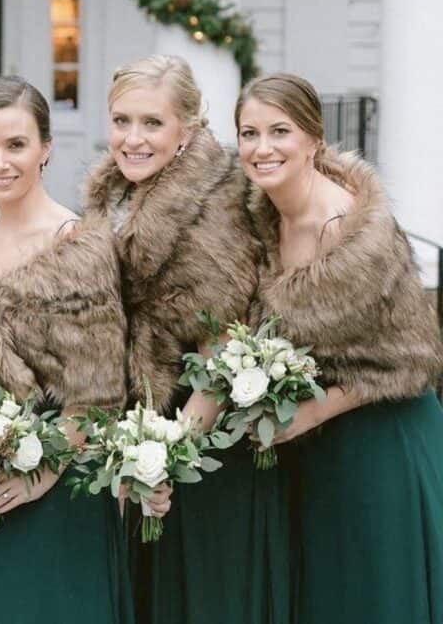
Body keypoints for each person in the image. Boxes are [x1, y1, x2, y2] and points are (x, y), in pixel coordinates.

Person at [82, 55, 287, 624]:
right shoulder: (113, 193)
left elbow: (221, 347)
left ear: (189, 128)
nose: (133, 138)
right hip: (139, 419)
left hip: (200, 433)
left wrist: (166, 456)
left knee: (197, 594)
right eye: (122, 121)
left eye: (152, 123)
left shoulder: (214, 206)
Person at [238, 73, 443, 624]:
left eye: (279, 131)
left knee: (374, 599)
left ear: (314, 139)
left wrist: (308, 414)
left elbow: (405, 357)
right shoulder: (259, 220)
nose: (262, 148)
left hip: (382, 443)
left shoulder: (347, 230)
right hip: (316, 448)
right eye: (249, 132)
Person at [0, 76, 136, 623]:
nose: (0, 162)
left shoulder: (80, 245)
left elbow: (102, 391)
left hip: (63, 488)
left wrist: (38, 473)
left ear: (46, 149)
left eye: (16, 145)